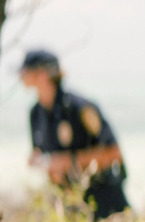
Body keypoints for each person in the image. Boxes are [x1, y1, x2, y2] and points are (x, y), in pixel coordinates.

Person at [20, 49, 129, 219]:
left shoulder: (80, 108)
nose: (21, 75)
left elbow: (114, 154)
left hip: (106, 205)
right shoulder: (35, 113)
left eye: (25, 70)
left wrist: (68, 162)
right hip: (69, 205)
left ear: (42, 74)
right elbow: (41, 154)